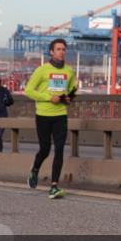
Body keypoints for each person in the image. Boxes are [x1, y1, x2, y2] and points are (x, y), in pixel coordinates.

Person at [24, 39, 77, 199]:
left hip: (60, 115)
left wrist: (69, 98)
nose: (62, 52)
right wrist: (48, 98)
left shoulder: (69, 71)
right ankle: (35, 169)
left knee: (59, 149)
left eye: (64, 49)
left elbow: (73, 88)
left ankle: (54, 186)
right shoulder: (42, 70)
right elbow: (28, 91)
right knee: (45, 149)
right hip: (43, 115)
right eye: (58, 49)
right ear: (52, 52)